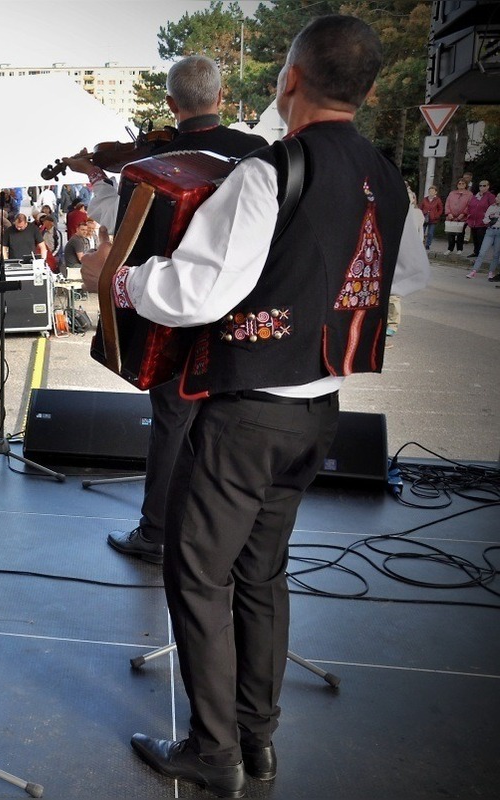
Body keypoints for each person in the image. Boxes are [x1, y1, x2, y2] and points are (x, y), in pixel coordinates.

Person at [109, 19, 429, 797]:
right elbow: (404, 279)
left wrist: (121, 280)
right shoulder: (391, 180)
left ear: (289, 82)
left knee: (196, 573)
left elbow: (195, 293)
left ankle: (213, 752)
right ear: (370, 90)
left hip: (248, 413)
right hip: (321, 408)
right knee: (262, 571)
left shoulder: (268, 173)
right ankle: (260, 741)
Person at [65, 55, 270, 566]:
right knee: (228, 424)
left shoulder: (147, 166)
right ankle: (224, 536)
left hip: (172, 311)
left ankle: (157, 531)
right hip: (240, 311)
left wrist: (95, 176)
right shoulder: (258, 155)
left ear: (171, 105)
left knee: (172, 422)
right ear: (220, 99)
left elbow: (124, 223)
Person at [466, 198, 500, 281]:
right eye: (497, 197)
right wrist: (490, 218)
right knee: (482, 252)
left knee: (496, 254)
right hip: (490, 231)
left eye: (499, 197)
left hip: (499, 232)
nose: (496, 198)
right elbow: (485, 219)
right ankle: (474, 271)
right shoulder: (492, 207)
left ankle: (491, 272)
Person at [466, 179, 496, 260]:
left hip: (483, 222)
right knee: (475, 238)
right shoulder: (475, 196)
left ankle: (481, 254)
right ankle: (476, 252)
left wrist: (488, 218)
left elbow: (493, 209)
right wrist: (468, 215)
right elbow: (470, 206)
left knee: (481, 238)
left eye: (484, 185)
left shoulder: (490, 196)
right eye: (480, 185)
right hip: (473, 221)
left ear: (488, 186)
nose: (482, 187)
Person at [444, 177, 472, 254]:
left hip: (462, 218)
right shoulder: (452, 193)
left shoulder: (469, 194)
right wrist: (448, 213)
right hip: (451, 217)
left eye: (463, 183)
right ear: (457, 185)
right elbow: (447, 204)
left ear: (466, 185)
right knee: (450, 234)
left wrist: (463, 214)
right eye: (459, 183)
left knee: (460, 234)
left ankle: (459, 249)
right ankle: (450, 249)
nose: (461, 185)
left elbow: (469, 205)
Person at [418, 185, 443, 251]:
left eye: (432, 191)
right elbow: (421, 207)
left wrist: (436, 215)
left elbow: (440, 209)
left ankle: (428, 245)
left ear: (435, 192)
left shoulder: (438, 200)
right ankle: (420, 244)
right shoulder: (425, 199)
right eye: (430, 191)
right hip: (425, 217)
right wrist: (422, 213)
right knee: (422, 231)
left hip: (433, 218)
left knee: (430, 233)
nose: (431, 192)